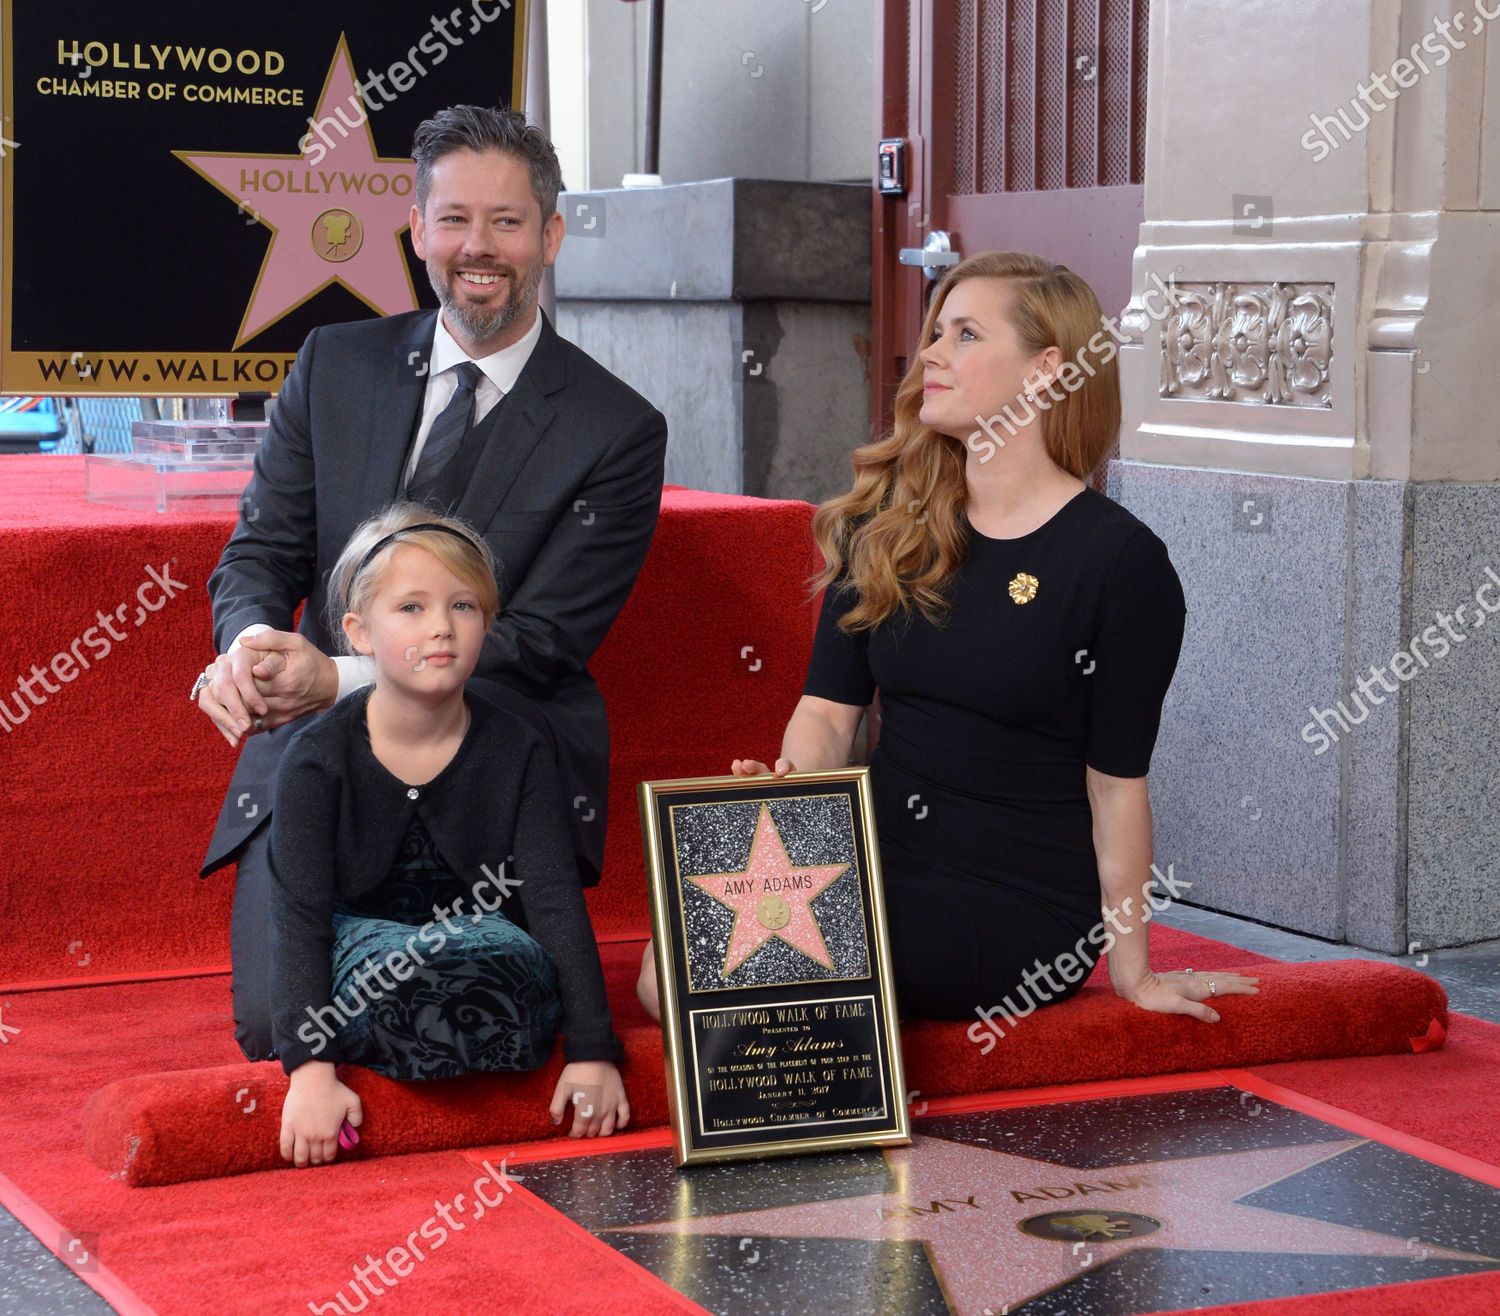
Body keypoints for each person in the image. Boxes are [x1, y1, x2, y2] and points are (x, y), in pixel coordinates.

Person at [638, 251, 1258, 1026]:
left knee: (732, 966)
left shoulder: (1120, 562)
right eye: (937, 331)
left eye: (965, 334)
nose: (929, 353)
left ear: (1044, 370)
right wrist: (789, 798)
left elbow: (1116, 784)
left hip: (1017, 898)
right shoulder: (885, 527)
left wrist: (1131, 969)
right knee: (666, 970)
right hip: (880, 852)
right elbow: (830, 715)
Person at [190, 105, 668, 1065]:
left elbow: (539, 641)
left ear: (551, 237)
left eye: (507, 221)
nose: (477, 247)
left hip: (496, 768)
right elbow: (259, 555)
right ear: (417, 230)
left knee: (489, 1009)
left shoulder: (617, 430)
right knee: (269, 1030)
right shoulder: (334, 366)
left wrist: (341, 675)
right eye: (453, 219)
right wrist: (249, 650)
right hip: (320, 760)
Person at [274, 505, 630, 1168]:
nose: (441, 627)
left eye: (464, 606)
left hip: (480, 938)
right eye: (411, 608)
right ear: (358, 632)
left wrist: (591, 1050)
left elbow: (552, 898)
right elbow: (299, 916)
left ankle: (454, 1028)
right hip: (365, 943)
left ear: (487, 624)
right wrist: (310, 1068)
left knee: (501, 962)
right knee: (393, 974)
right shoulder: (317, 758)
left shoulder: (519, 746)